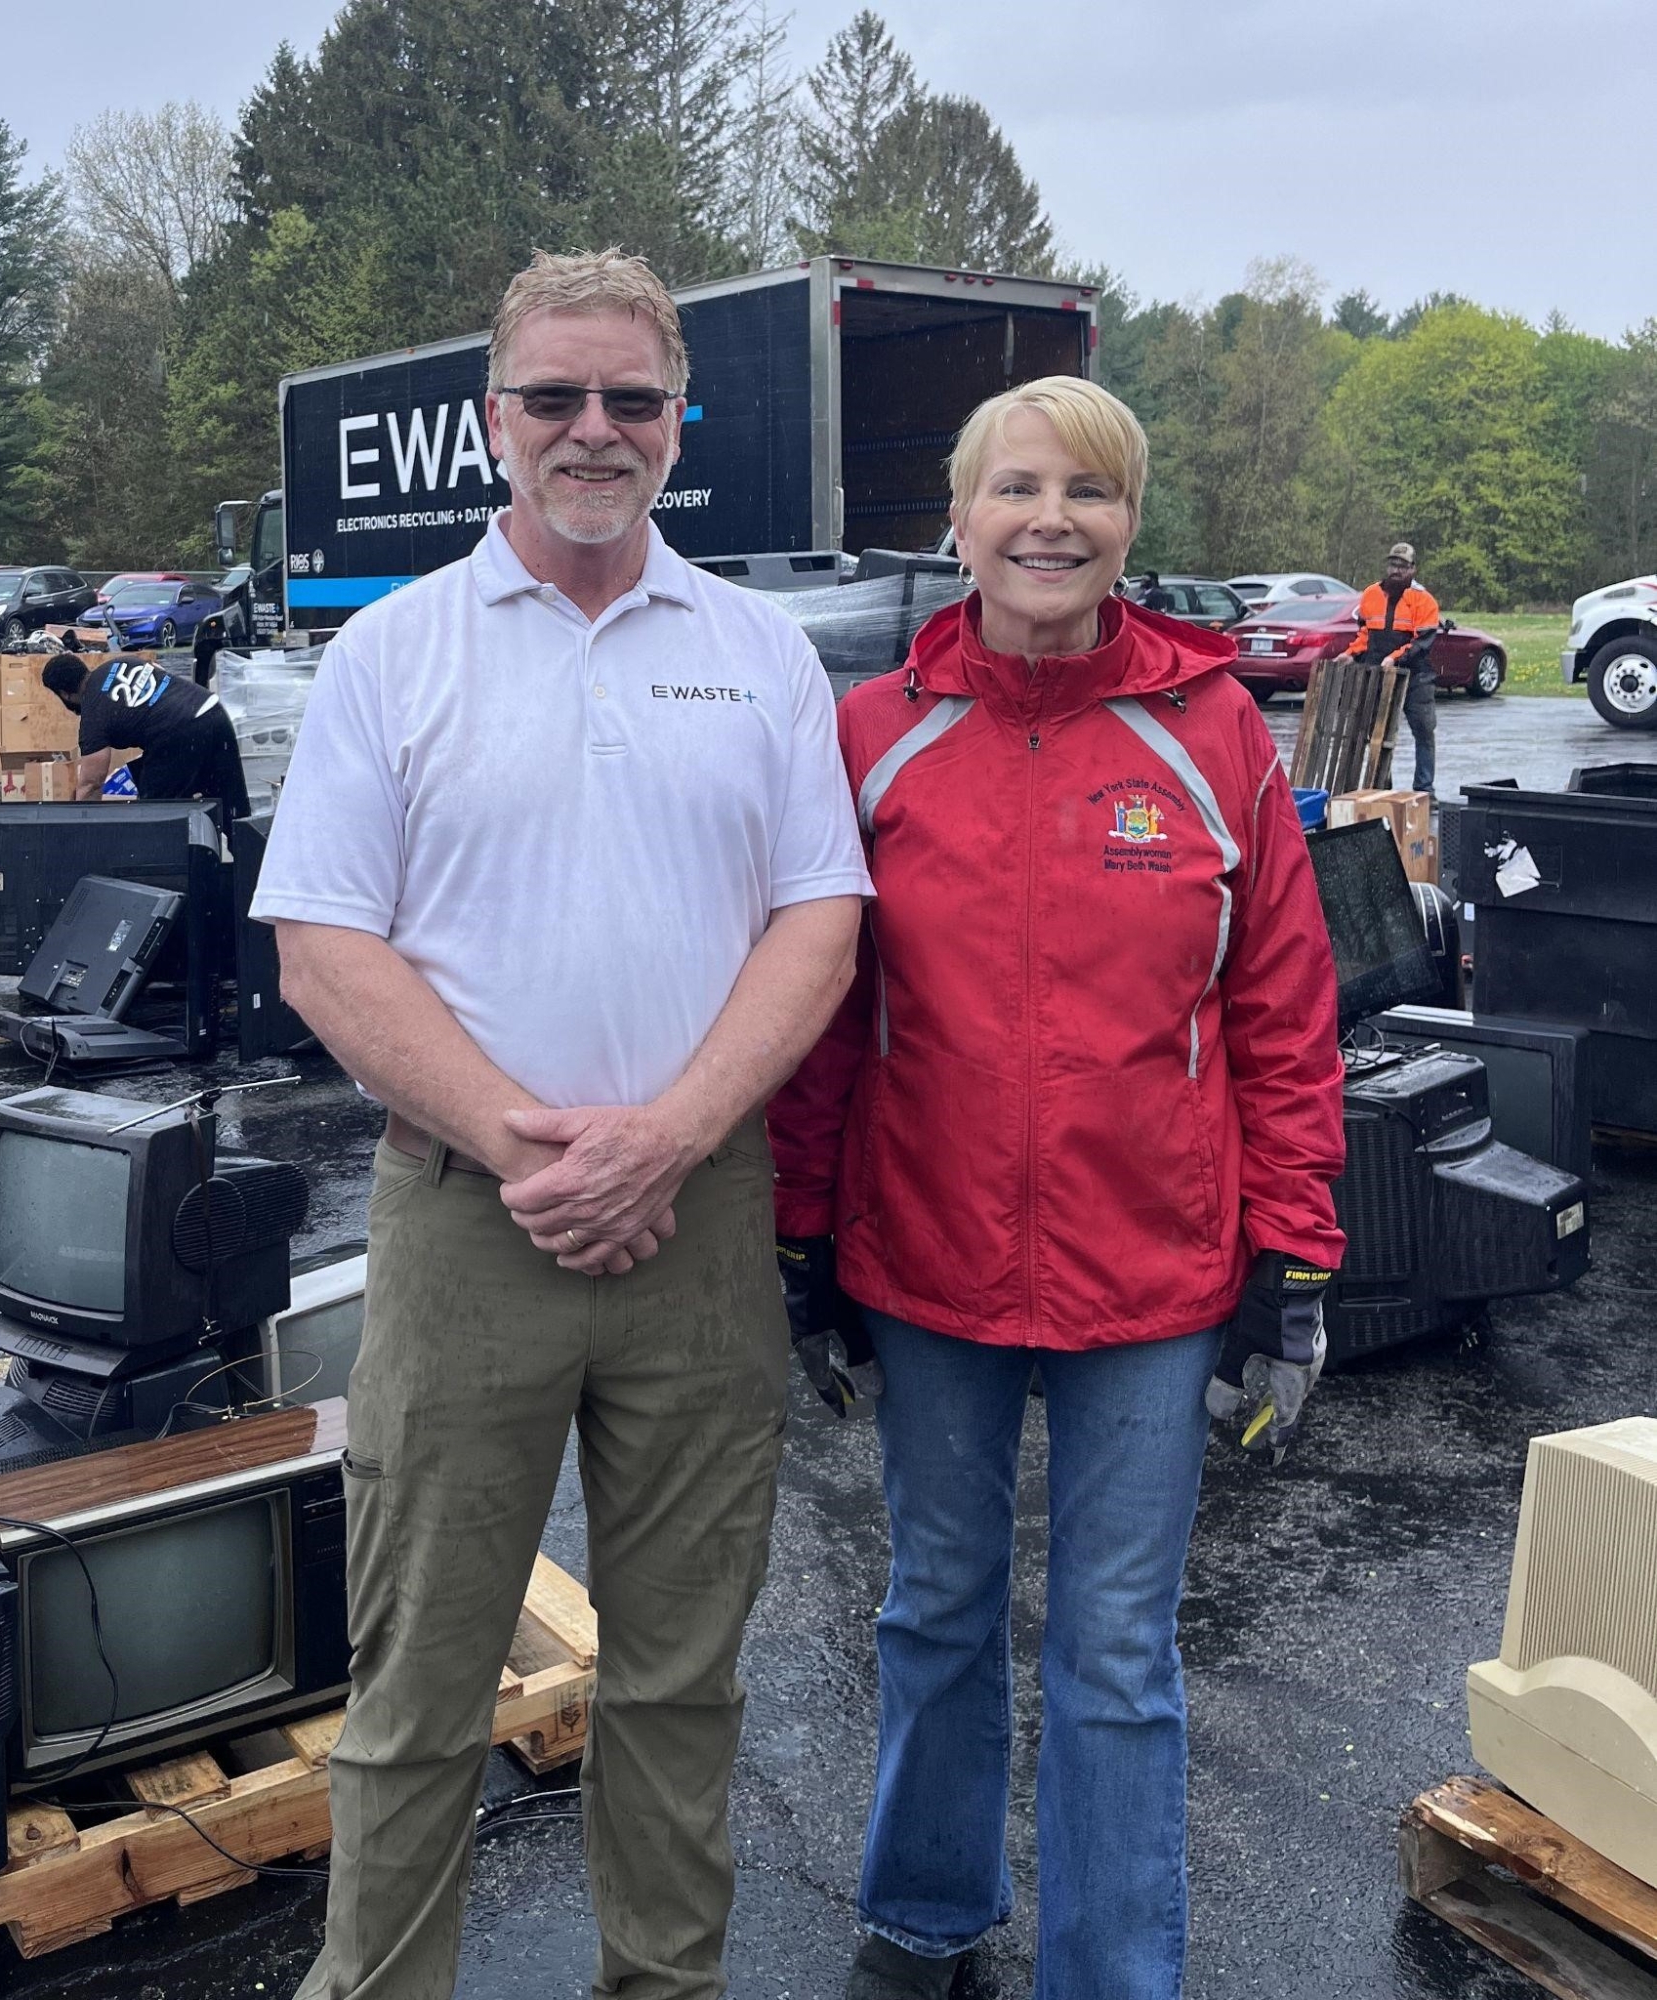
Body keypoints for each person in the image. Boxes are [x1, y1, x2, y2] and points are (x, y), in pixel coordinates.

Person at [249, 248, 869, 2000]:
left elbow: (817, 923)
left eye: (630, 399)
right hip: (470, 1226)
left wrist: (667, 1135)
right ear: (492, 420)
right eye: (554, 397)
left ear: (679, 421)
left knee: (680, 1682)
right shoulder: (395, 654)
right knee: (418, 1688)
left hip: (697, 1226)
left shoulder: (757, 652)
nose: (593, 429)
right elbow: (322, 947)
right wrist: (530, 1145)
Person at [768, 375, 1346, 2000]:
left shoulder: (1213, 732)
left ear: (1127, 524)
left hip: (1154, 1275)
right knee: (935, 1608)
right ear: (957, 523)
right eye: (1015, 488)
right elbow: (822, 1017)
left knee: (1116, 1652)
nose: (1050, 519)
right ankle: (922, 1916)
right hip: (926, 1262)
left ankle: (1111, 1972)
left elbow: (1282, 1010)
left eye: (1087, 491)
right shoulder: (874, 736)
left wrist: (1295, 1257)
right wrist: (800, 1235)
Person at [39, 651, 249, 828]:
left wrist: (82, 832)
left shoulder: (93, 715)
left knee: (154, 815)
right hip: (211, 709)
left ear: (64, 694)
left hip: (180, 733)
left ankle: (163, 862)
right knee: (232, 808)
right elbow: (159, 672)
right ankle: (248, 859)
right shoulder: (121, 663)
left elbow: (91, 784)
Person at [1344, 540, 1442, 793]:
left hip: (1416, 678)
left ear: (1413, 569)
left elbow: (1422, 642)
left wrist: (1395, 659)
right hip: (1379, 677)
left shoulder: (1424, 600)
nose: (1396, 570)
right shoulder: (1371, 594)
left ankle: (1424, 791)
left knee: (1424, 732)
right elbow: (1365, 634)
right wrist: (1351, 654)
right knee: (1378, 734)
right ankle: (1382, 789)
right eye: (1393, 565)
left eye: (1403, 566)